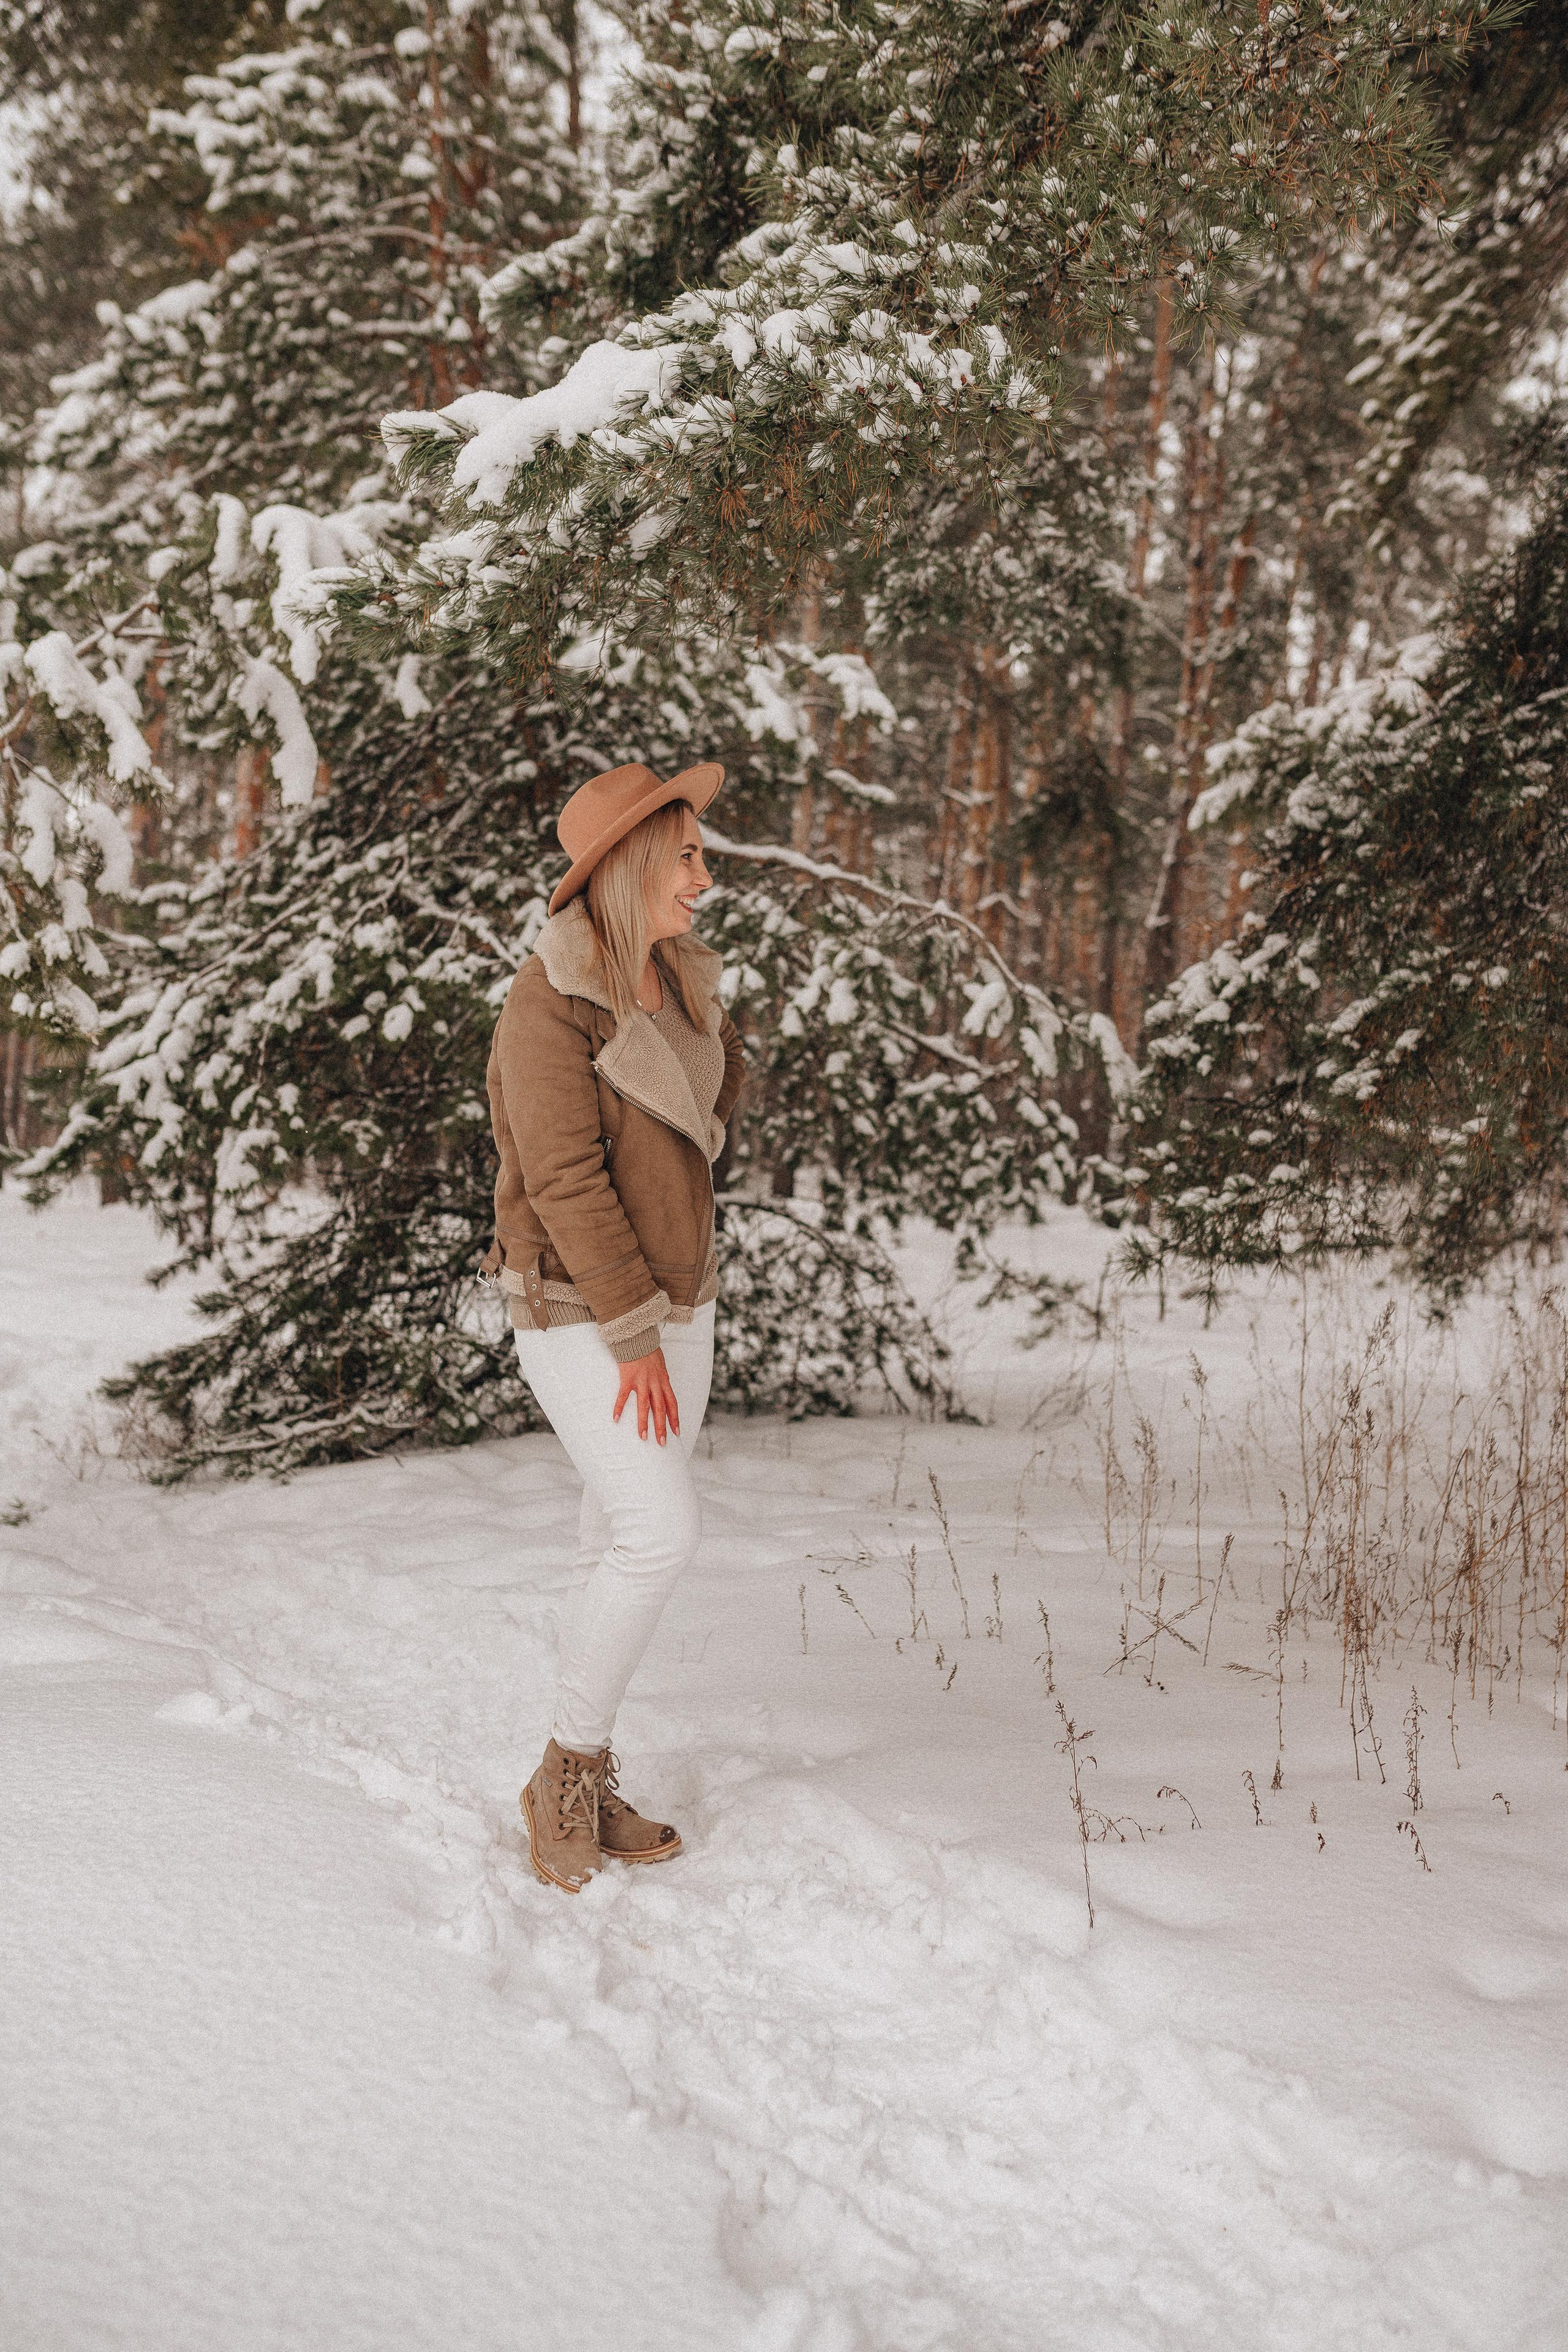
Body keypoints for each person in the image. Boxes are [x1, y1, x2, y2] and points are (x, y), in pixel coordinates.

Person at [483, 761, 747, 1892]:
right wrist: (633, 1333)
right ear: (633, 865)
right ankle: (566, 1775)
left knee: (612, 1536)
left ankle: (579, 1775)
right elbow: (562, 1178)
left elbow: (710, 1120)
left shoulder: (683, 982)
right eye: (686, 854)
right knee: (657, 1532)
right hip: (582, 1307)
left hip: (682, 1298)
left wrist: (671, 1304)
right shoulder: (546, 1002)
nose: (704, 873)